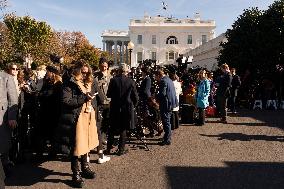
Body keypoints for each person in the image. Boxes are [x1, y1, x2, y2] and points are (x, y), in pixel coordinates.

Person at [56, 61, 99, 188]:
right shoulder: (69, 83)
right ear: (77, 71)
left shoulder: (89, 82)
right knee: (76, 147)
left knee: (86, 144)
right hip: (76, 119)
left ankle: (85, 168)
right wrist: (83, 98)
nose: (85, 75)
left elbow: (95, 99)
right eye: (83, 72)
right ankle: (76, 173)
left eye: (87, 72)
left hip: (88, 118)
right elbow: (66, 101)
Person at [106, 63, 139, 156]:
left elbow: (109, 94)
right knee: (123, 129)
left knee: (112, 128)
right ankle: (121, 149)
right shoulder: (131, 81)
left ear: (119, 70)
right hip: (126, 108)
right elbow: (136, 97)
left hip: (115, 107)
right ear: (126, 71)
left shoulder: (113, 80)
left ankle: (108, 148)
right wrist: (133, 105)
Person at [36, 66, 62, 158]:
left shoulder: (58, 84)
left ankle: (52, 153)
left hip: (53, 113)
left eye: (47, 71)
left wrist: (40, 94)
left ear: (52, 73)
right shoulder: (45, 82)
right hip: (44, 112)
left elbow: (51, 96)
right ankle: (40, 153)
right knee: (41, 134)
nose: (46, 73)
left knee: (52, 134)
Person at [0, 70, 18, 179]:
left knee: (3, 146)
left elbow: (13, 99)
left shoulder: (6, 77)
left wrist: (12, 117)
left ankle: (6, 166)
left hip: (2, 116)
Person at [93, 57, 111, 164]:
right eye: (102, 66)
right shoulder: (96, 76)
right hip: (100, 103)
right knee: (99, 124)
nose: (104, 68)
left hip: (109, 102)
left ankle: (103, 138)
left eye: (105, 66)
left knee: (106, 123)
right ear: (99, 66)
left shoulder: (110, 76)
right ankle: (99, 141)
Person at [155, 68, 178, 146]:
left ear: (159, 75)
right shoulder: (169, 79)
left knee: (166, 122)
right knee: (167, 121)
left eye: (156, 77)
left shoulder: (163, 81)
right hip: (170, 103)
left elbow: (162, 94)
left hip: (166, 104)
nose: (156, 79)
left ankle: (167, 139)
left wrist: (155, 97)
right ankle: (166, 137)